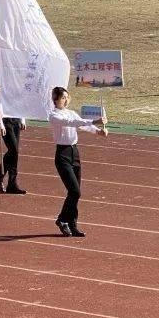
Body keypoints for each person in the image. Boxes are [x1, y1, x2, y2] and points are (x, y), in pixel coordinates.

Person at [49, 86, 107, 238]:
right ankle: (62, 219)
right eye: (63, 98)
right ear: (55, 99)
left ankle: (72, 223)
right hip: (62, 155)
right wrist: (95, 120)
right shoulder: (54, 115)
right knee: (75, 191)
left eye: (67, 97)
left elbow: (82, 124)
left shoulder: (71, 112)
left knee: (75, 193)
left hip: (74, 153)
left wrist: (98, 131)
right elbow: (72, 122)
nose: (66, 100)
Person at [0, 113, 28, 195]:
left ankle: (12, 184)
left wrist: (22, 119)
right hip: (5, 120)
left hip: (16, 120)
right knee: (13, 150)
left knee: (14, 153)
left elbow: (20, 104)